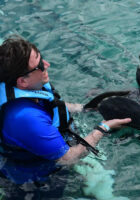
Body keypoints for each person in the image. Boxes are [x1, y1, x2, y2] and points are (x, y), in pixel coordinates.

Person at [0, 35, 131, 184]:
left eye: (42, 58)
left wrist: (84, 108)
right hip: (36, 178)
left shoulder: (22, 83)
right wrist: (103, 128)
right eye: (40, 66)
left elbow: (51, 104)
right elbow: (67, 158)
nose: (47, 64)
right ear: (22, 81)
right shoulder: (27, 119)